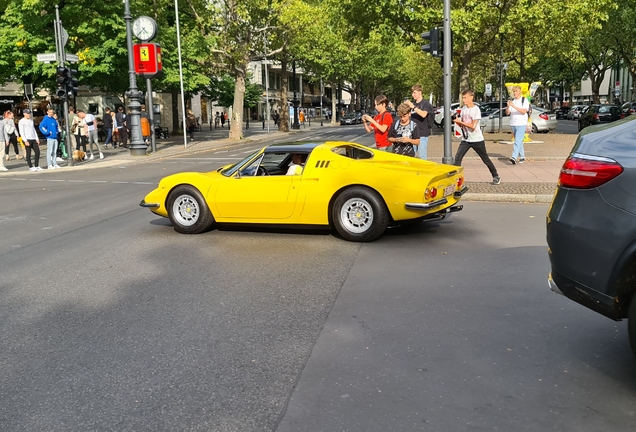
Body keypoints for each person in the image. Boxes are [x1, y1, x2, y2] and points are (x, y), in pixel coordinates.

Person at [453, 89, 501, 185]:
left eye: (465, 97)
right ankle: (456, 180)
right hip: (466, 139)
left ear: (471, 97)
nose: (464, 100)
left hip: (477, 139)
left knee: (485, 159)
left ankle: (496, 176)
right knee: (457, 158)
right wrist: (458, 122)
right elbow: (463, 125)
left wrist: (460, 122)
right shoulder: (463, 110)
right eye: (463, 98)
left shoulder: (476, 110)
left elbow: (473, 126)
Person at [404, 84, 434, 160]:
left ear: (420, 92)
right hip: (413, 134)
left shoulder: (425, 104)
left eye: (414, 92)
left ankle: (425, 171)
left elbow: (424, 114)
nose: (412, 95)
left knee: (422, 156)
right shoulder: (413, 104)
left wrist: (413, 107)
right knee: (411, 155)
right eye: (412, 93)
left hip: (422, 134)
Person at [506, 85, 530, 164]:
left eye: (516, 91)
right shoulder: (512, 101)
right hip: (513, 123)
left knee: (517, 141)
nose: (514, 93)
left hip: (521, 123)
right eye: (513, 91)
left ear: (520, 91)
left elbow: (524, 111)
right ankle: (522, 156)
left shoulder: (524, 100)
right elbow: (507, 112)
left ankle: (514, 157)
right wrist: (508, 106)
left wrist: (514, 106)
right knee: (519, 141)